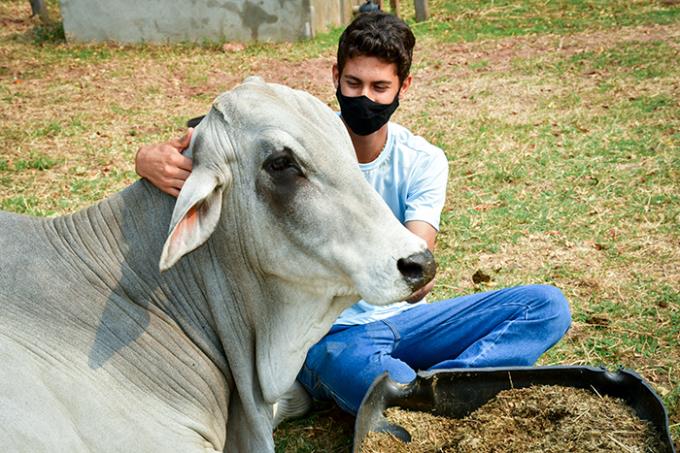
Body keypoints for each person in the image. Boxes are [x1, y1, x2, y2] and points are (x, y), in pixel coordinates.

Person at [135, 11, 571, 427]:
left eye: (380, 86)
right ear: (335, 78)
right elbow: (214, 138)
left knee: (546, 306)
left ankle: (435, 386)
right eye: (353, 82)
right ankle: (424, 388)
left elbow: (417, 277)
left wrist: (412, 275)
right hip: (330, 334)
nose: (365, 97)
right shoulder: (290, 151)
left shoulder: (423, 161)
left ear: (404, 86)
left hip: (403, 319)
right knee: (373, 374)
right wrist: (146, 158)